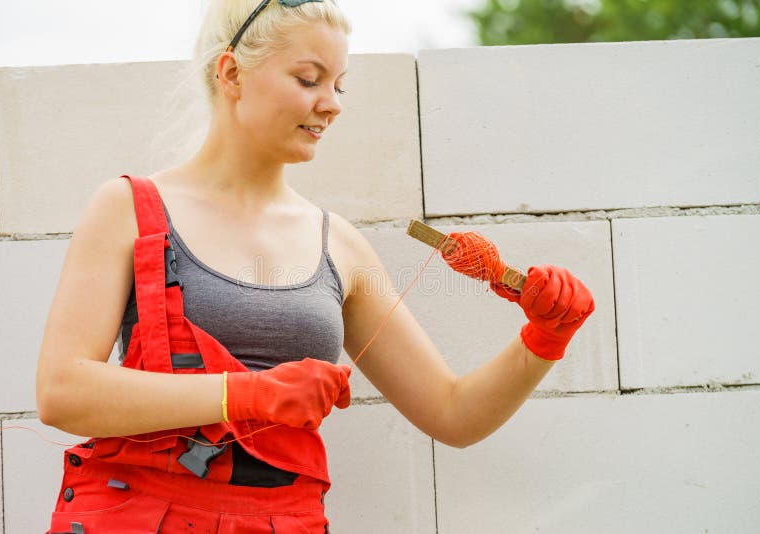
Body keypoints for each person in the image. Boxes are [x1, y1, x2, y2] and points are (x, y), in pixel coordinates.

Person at [35, 0, 595, 532]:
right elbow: (62, 392)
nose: (332, 103)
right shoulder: (129, 210)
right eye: (309, 80)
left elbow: (452, 414)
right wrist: (244, 395)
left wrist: (543, 340)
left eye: (339, 84)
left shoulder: (340, 247)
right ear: (231, 74)